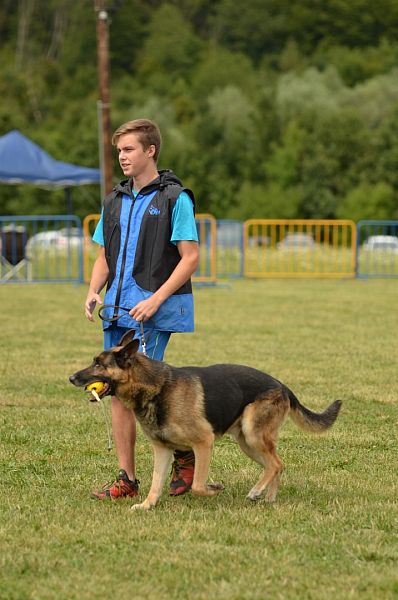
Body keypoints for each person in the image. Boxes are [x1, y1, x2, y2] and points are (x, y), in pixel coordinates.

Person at [84, 118, 199, 499]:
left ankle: (184, 453)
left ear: (151, 151)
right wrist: (93, 290)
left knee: (148, 390)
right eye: (119, 151)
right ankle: (127, 479)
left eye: (129, 149)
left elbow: (190, 258)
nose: (122, 157)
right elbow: (104, 255)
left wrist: (156, 299)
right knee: (118, 390)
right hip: (116, 309)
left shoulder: (174, 198)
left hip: (151, 311)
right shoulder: (114, 199)